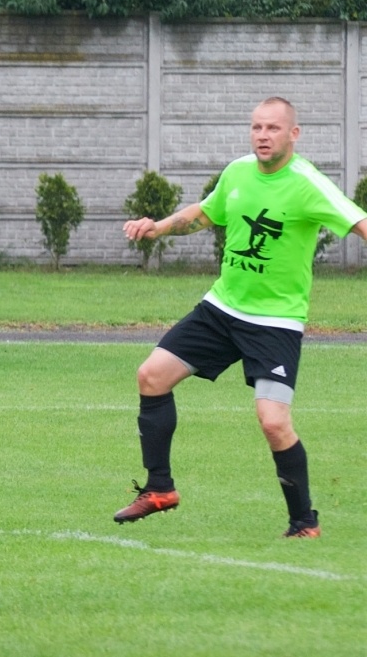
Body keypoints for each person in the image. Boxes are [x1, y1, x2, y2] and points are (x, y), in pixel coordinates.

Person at [116, 96, 367, 537]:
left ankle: (304, 523)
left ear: (293, 134)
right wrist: (159, 226)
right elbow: (205, 213)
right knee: (151, 376)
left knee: (274, 422)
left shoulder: (308, 183)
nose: (262, 136)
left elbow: (360, 223)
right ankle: (159, 489)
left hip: (275, 322)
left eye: (272, 128)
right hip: (221, 309)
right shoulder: (237, 172)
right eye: (256, 127)